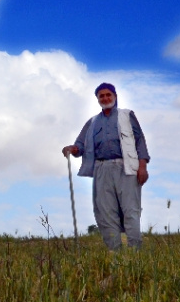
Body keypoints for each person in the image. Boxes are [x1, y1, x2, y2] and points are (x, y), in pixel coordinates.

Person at [62, 83, 150, 250]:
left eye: (108, 95)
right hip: (101, 169)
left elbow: (140, 142)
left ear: (115, 96)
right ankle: (115, 253)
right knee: (105, 213)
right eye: (101, 96)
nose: (105, 98)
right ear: (97, 99)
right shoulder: (92, 122)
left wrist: (142, 166)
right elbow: (80, 145)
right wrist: (71, 149)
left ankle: (136, 255)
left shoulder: (127, 115)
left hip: (126, 167)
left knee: (131, 210)